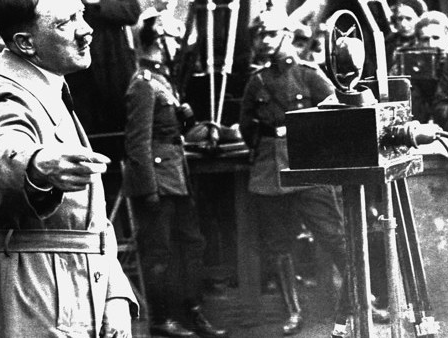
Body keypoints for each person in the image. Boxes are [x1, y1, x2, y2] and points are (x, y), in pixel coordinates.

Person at [0, 0, 138, 337]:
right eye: (67, 22)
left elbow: (87, 221)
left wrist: (114, 293)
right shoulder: (6, 97)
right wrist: (34, 165)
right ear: (26, 43)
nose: (87, 30)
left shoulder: (45, 90)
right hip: (32, 296)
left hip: (61, 290)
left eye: (81, 15)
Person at [239, 8, 351, 337]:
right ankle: (293, 311)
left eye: (270, 35)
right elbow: (248, 127)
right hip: (270, 174)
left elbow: (336, 111)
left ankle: (355, 302)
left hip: (307, 168)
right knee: (278, 245)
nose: (263, 41)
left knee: (335, 238)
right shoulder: (256, 81)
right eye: (259, 35)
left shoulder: (308, 74)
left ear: (287, 35)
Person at [124, 14, 226, 338]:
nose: (178, 47)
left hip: (177, 175)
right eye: (173, 39)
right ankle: (161, 319)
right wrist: (148, 190)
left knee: (191, 245)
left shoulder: (164, 82)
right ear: (158, 41)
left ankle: (191, 312)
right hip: (158, 179)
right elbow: (137, 142)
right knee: (159, 252)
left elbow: (175, 133)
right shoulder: (142, 84)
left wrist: (202, 129)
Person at [64, 0, 141, 135]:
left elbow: (132, 11)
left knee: (120, 126)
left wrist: (96, 4)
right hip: (78, 72)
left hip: (114, 66)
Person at [385, 0, 427, 68]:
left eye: (409, 18)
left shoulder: (426, 40)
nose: (403, 24)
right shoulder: (389, 43)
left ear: (419, 19)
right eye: (400, 19)